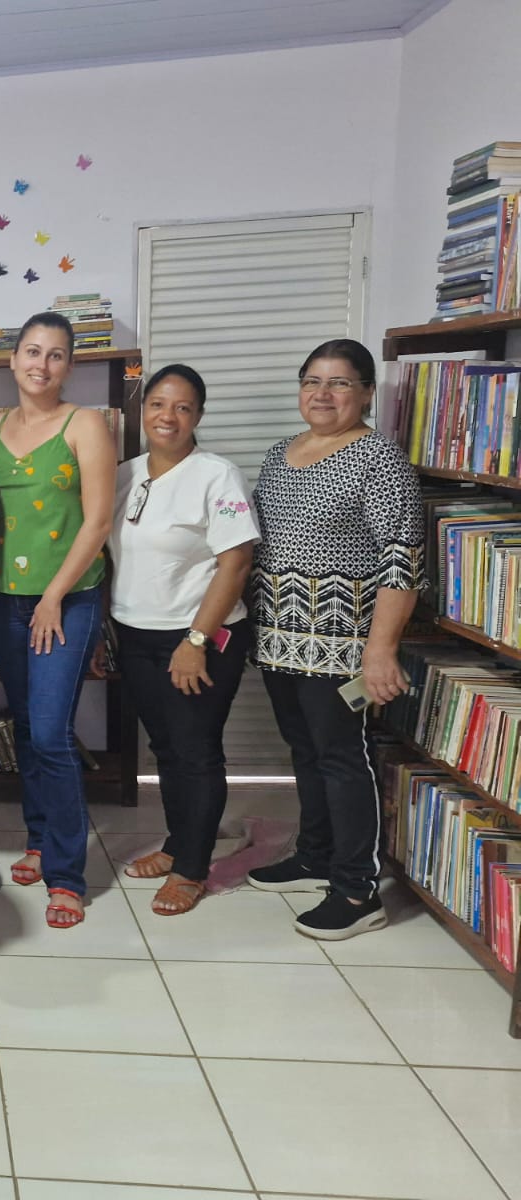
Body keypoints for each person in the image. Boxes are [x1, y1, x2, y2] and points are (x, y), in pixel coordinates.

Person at [247, 339, 422, 940]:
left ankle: (356, 889)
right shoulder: (280, 453)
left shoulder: (379, 460)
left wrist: (381, 649)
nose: (323, 394)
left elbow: (401, 561)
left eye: (340, 383)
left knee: (345, 760)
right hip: (278, 640)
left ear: (367, 392)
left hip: (343, 646)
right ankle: (315, 854)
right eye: (313, 381)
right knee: (304, 752)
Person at [0, 312, 115, 929]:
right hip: (3, 600)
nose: (42, 364)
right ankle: (36, 837)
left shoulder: (87, 425)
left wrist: (55, 594)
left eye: (56, 355)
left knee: (52, 732)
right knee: (29, 725)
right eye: (32, 351)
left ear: (69, 366)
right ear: (13, 360)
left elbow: (98, 521)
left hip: (67, 598)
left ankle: (66, 874)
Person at [108, 366, 259, 916]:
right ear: (142, 409)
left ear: (198, 415)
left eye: (183, 407)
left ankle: (193, 869)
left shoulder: (216, 475)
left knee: (195, 751)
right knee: (167, 748)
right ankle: (178, 846)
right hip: (137, 632)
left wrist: (196, 638)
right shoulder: (125, 474)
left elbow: (236, 561)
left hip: (200, 635)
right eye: (158, 405)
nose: (167, 417)